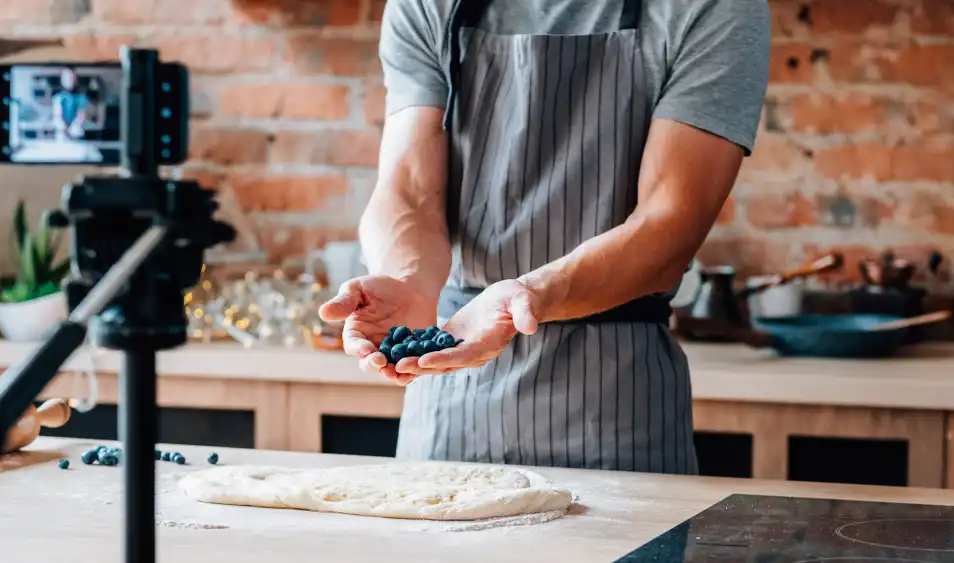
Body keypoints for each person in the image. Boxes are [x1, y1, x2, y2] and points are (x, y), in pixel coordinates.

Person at [320, 0, 770, 474]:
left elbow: (669, 224)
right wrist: (408, 279)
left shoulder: (714, 7)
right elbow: (407, 188)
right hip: (448, 391)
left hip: (619, 410)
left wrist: (529, 295)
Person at [51, 68, 89, 141]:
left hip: (77, 135)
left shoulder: (82, 98)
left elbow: (81, 116)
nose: (69, 80)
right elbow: (57, 116)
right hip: (61, 136)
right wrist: (63, 128)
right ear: (62, 79)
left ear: (75, 79)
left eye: (71, 77)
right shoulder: (58, 98)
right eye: (66, 77)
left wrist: (73, 129)